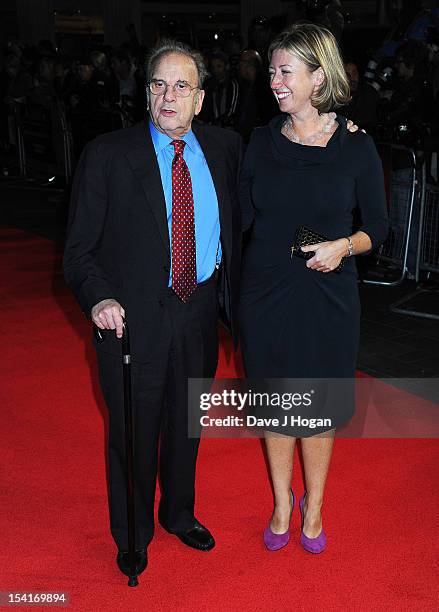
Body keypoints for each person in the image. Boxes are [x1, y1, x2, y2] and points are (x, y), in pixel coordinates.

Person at [63, 39, 243, 577]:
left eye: (181, 86)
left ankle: (179, 513)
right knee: (134, 430)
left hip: (199, 308)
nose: (169, 96)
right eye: (159, 84)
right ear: (145, 95)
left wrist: (336, 126)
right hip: (131, 318)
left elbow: (285, 157)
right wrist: (100, 297)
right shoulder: (107, 155)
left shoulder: (226, 148)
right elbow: (78, 251)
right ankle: (134, 532)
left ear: (201, 99)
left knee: (187, 422)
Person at [239, 23, 388, 554]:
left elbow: (379, 227)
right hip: (265, 293)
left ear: (317, 76)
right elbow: (240, 220)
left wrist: (343, 246)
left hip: (328, 294)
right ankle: (282, 501)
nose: (273, 82)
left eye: (285, 72)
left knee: (317, 407)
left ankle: (315, 505)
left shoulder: (355, 146)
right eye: (273, 71)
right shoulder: (259, 142)